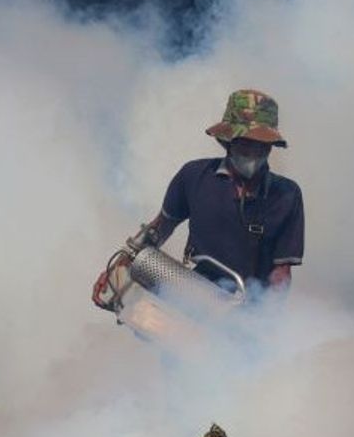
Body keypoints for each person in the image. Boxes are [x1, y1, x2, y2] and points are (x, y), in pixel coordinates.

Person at [93, 89, 304, 306]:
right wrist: (117, 269)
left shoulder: (287, 195)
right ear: (228, 140)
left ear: (270, 147)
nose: (253, 151)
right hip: (191, 292)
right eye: (246, 142)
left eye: (261, 145)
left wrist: (269, 319)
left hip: (247, 310)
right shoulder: (194, 176)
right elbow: (158, 230)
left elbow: (281, 273)